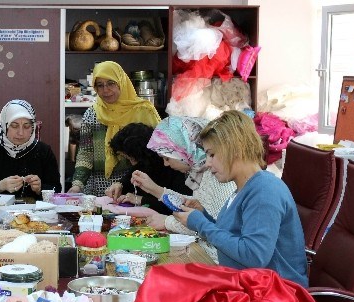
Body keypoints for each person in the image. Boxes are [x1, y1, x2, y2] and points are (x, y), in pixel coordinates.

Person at [173, 110, 308, 287]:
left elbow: (253, 256)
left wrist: (201, 224)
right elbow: (236, 236)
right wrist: (204, 216)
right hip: (250, 286)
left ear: (234, 148)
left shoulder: (264, 190)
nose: (207, 162)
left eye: (212, 154)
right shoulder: (245, 187)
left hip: (275, 298)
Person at [132, 116, 236, 237]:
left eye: (167, 157)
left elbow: (214, 229)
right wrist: (154, 189)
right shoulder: (201, 171)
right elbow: (203, 210)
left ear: (185, 150)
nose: (166, 164)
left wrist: (167, 222)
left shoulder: (216, 174)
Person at [68, 61, 161, 196]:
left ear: (121, 82)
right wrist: (77, 184)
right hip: (96, 190)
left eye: (111, 83)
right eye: (100, 85)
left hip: (134, 189)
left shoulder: (143, 111)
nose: (105, 90)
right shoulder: (92, 114)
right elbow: (85, 153)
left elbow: (155, 155)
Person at [0, 99, 61, 201]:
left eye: (26, 126)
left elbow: (57, 190)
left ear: (33, 127)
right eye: (14, 126)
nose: (21, 133)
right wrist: (0, 186)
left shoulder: (44, 151)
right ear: (5, 126)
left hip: (36, 214)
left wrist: (41, 188)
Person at [105, 122, 191, 215]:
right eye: (127, 158)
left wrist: (141, 199)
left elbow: (181, 206)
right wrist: (119, 184)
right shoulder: (144, 164)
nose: (131, 163)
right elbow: (129, 180)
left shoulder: (176, 169)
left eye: (131, 158)